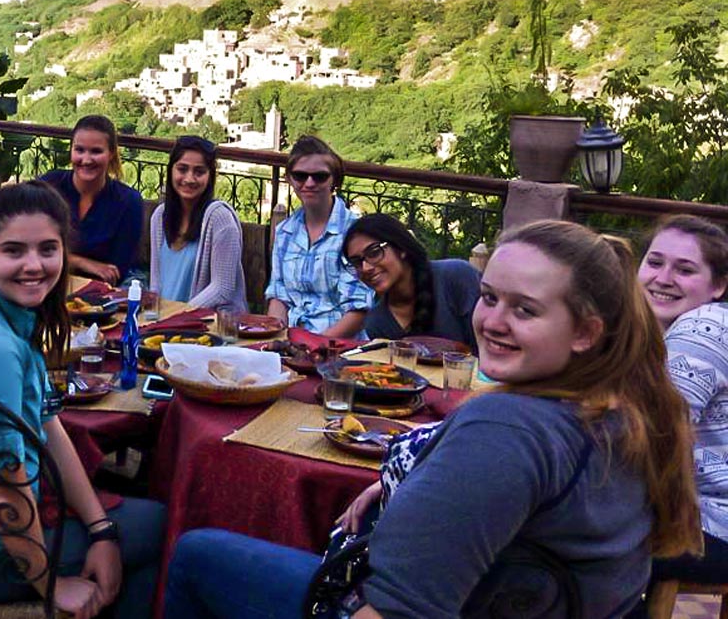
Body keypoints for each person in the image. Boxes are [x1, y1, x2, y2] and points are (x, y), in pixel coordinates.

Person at [165, 220, 701, 619]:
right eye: (489, 297)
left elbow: (397, 609)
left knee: (195, 553)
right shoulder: (630, 413)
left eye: (526, 310)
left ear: (586, 332)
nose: (493, 321)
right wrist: (409, 481)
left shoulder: (506, 432)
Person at [0, 181, 164, 619]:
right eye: (14, 251)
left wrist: (101, 530)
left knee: (121, 529)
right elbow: (0, 483)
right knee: (161, 527)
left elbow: (49, 427)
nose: (34, 265)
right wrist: (50, 584)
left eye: (47, 249)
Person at [638, 216, 728, 594]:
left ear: (719, 285)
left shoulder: (702, 329)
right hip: (690, 512)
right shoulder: (653, 334)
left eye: (685, 269)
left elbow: (653, 437)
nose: (663, 277)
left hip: (711, 526)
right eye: (655, 262)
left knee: (568, 540)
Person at [265, 135, 371, 336]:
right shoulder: (285, 232)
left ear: (334, 180)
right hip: (292, 341)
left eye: (320, 176)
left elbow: (357, 310)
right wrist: (276, 338)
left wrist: (315, 347)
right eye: (300, 176)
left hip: (338, 346)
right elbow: (279, 297)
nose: (309, 183)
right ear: (289, 179)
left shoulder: (354, 233)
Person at [342, 213, 480, 349]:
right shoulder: (377, 322)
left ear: (400, 247)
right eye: (356, 262)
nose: (365, 268)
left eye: (374, 252)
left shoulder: (455, 278)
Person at [147, 136, 247, 313]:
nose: (189, 179)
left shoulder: (220, 219)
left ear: (210, 176)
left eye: (199, 172)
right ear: (171, 170)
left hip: (205, 326)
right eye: (182, 169)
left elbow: (222, 289)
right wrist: (152, 316)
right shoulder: (159, 217)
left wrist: (179, 314)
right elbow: (156, 283)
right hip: (163, 322)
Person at [40, 115, 143, 284]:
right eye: (79, 150)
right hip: (45, 285)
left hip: (100, 297)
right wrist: (84, 263)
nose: (86, 160)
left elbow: (117, 270)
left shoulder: (128, 201)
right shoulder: (50, 185)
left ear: (111, 154)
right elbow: (31, 248)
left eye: (96, 151)